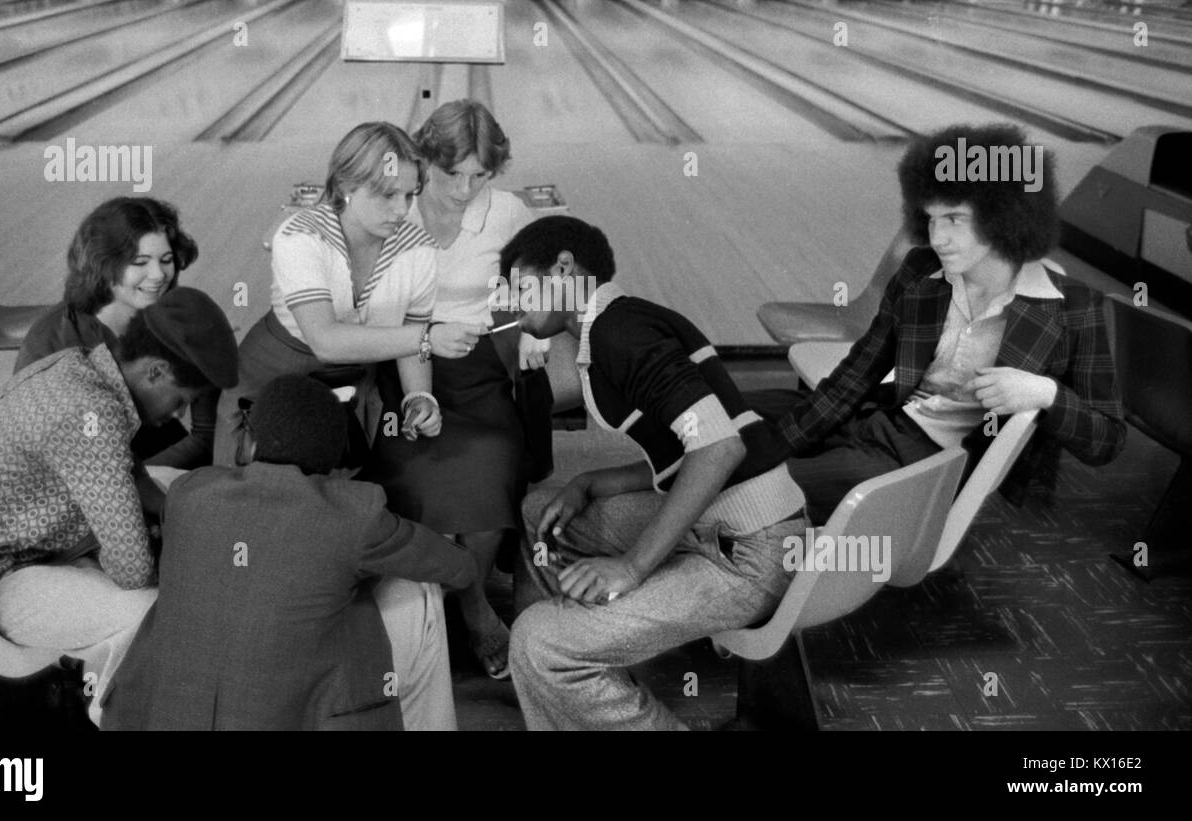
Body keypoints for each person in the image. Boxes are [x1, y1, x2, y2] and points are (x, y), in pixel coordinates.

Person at [500, 216, 808, 730]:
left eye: (520, 285)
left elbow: (719, 447)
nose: (511, 301)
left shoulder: (622, 335)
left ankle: (560, 665)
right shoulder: (619, 322)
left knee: (540, 640)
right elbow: (693, 447)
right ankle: (568, 684)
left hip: (749, 552)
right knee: (542, 518)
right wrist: (594, 482)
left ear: (563, 268)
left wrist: (632, 566)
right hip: (724, 524)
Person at [761, 123, 1126, 527]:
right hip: (877, 419)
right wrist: (778, 442)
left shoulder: (1072, 307)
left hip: (925, 467)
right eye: (931, 219)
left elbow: (1107, 439)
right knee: (737, 428)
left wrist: (1046, 392)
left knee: (761, 488)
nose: (938, 237)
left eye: (954, 219)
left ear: (1005, 217)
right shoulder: (922, 272)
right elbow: (856, 375)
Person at [0, 288, 238, 725]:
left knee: (166, 496)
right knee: (148, 608)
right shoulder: (91, 414)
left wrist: (175, 516)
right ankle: (120, 717)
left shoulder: (82, 366)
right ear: (157, 371)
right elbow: (132, 569)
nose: (175, 416)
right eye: (180, 401)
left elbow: (129, 472)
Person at [101, 375, 477, 731]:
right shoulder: (353, 513)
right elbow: (456, 566)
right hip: (287, 718)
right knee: (415, 593)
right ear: (335, 457)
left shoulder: (189, 492)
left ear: (250, 443)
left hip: (155, 717)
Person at [365, 100, 545, 680]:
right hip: (400, 359)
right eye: (452, 174)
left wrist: (532, 326)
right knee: (416, 468)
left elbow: (544, 281)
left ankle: (463, 604)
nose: (466, 189)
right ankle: (472, 602)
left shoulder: (509, 213)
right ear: (423, 161)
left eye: (480, 175)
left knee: (492, 462)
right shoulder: (393, 207)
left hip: (476, 361)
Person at [213, 122, 484, 468]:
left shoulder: (420, 251)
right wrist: (428, 337)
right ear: (346, 187)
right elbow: (325, 341)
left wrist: (419, 397)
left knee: (334, 504)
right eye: (387, 194)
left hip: (351, 385)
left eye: (409, 195)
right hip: (270, 380)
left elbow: (412, 347)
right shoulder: (300, 237)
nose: (402, 210)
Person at [16, 197, 218, 469]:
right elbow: (42, 455)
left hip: (154, 466)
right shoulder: (51, 341)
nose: (158, 274)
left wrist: (147, 481)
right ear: (105, 267)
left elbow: (206, 437)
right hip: (78, 478)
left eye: (166, 260)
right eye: (140, 262)